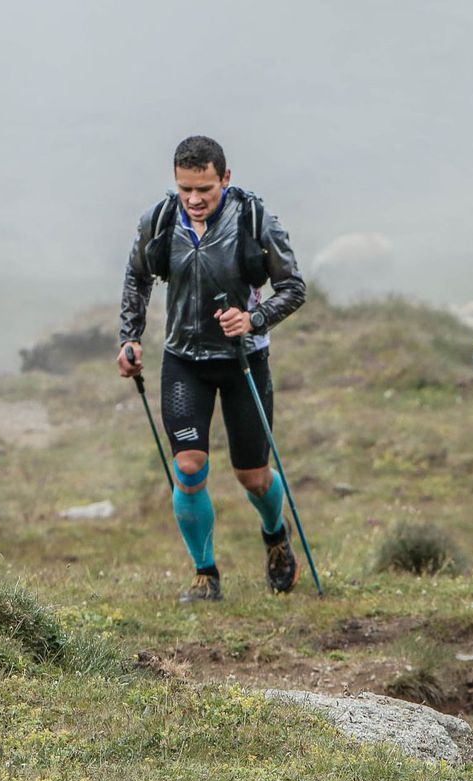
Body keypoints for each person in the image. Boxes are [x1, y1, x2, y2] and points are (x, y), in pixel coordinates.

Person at [117, 135, 307, 602]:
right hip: (185, 360)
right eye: (186, 190)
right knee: (188, 468)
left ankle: (275, 536)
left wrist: (253, 318)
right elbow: (137, 278)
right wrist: (130, 337)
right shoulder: (159, 221)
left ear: (225, 177)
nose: (195, 199)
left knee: (253, 476)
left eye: (205, 188)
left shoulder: (256, 219)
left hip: (245, 360)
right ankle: (206, 574)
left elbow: (294, 287)